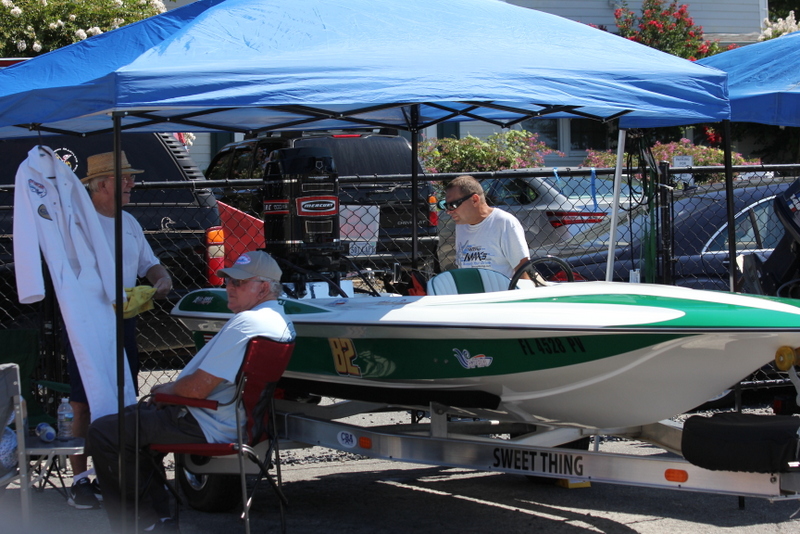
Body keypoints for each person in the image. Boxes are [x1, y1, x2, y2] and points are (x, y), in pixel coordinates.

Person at [87, 250, 295, 532]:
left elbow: (196, 389)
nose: (229, 288)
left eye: (239, 283)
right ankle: (156, 521)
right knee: (130, 426)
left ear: (264, 287)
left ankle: (140, 524)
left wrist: (164, 390)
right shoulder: (278, 320)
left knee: (105, 432)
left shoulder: (249, 323)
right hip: (235, 421)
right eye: (229, 281)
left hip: (206, 421)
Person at [66, 151, 172, 509]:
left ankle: (117, 472)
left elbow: (150, 264)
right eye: (125, 178)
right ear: (102, 184)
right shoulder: (78, 224)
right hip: (87, 324)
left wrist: (162, 279)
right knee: (81, 402)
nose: (132, 183)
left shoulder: (129, 223)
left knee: (123, 399)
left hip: (125, 321)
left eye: (130, 177)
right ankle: (80, 480)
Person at [443, 175, 530, 279]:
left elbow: (524, 270)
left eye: (453, 205)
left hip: (500, 293)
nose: (448, 211)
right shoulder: (462, 226)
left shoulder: (503, 222)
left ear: (475, 200)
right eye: (446, 205)